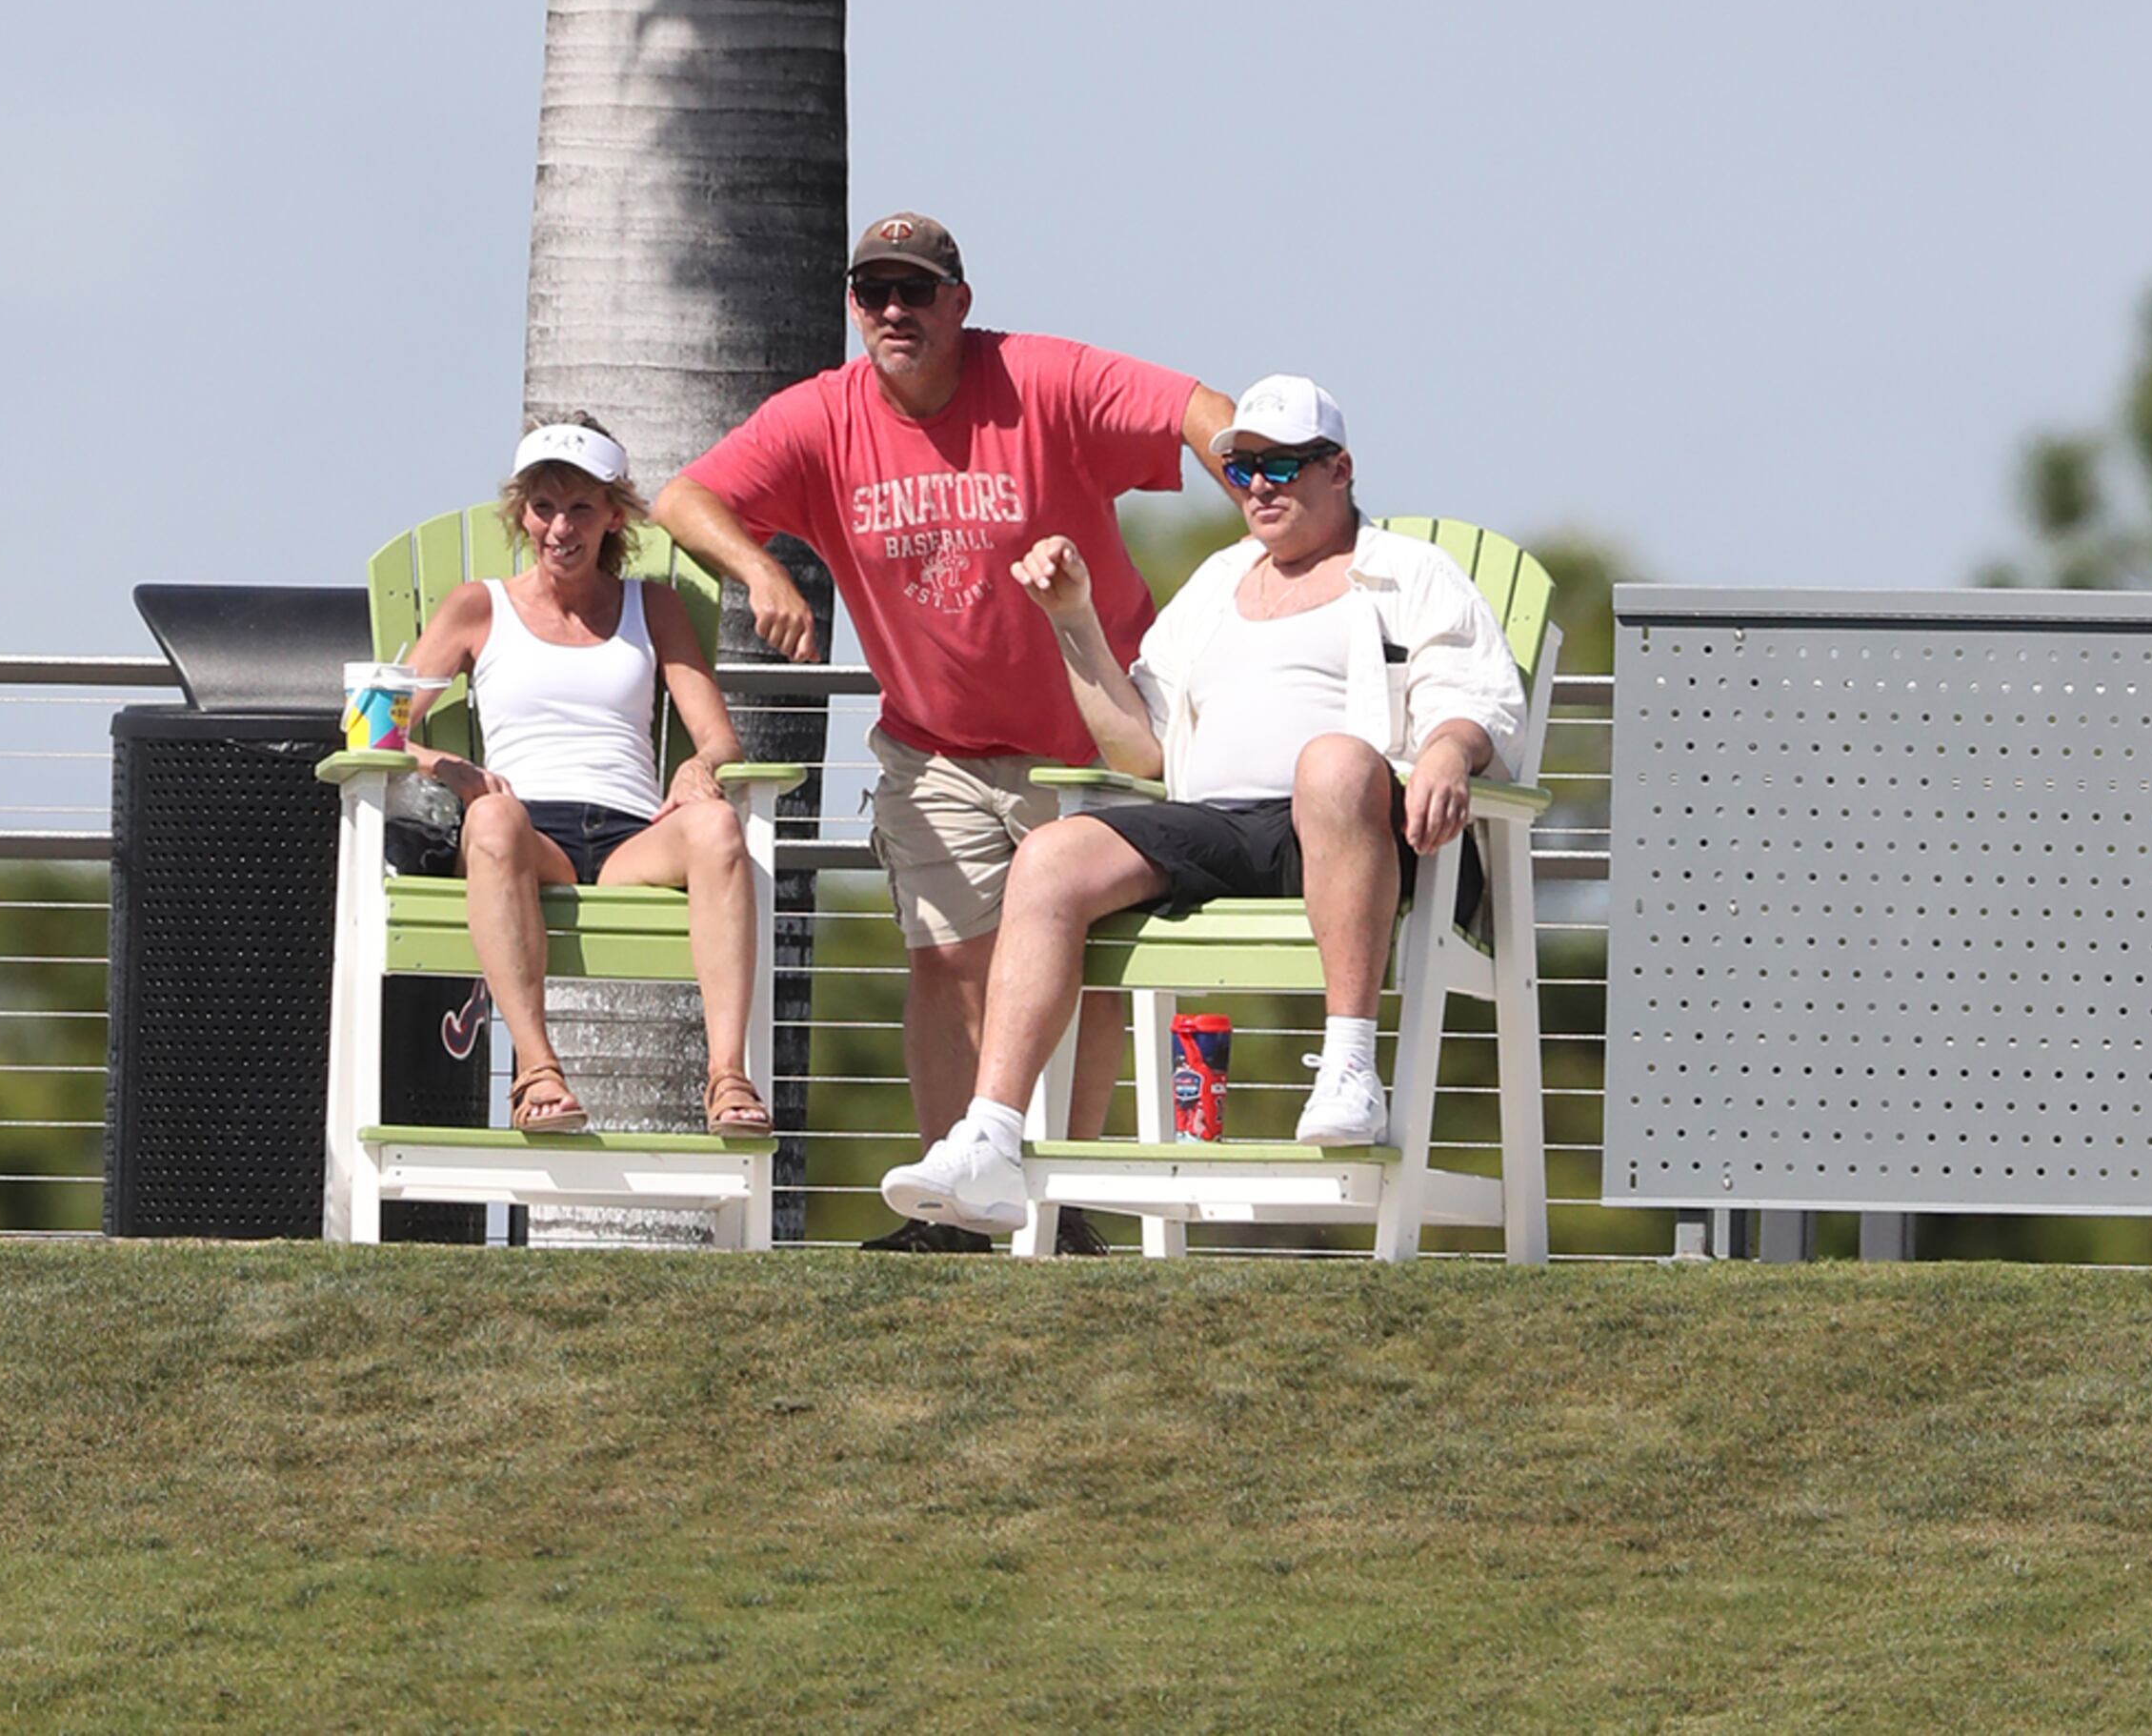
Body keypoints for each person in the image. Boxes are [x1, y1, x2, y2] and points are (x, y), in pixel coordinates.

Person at [656, 213, 1236, 1240]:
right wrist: (755, 567)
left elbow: (1200, 409)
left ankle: (1063, 1203)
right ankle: (948, 1212)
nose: (892, 311)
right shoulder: (819, 417)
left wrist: (1267, 518)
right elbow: (683, 497)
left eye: (915, 292)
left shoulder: (1041, 378)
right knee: (945, 959)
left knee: (1095, 963)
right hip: (933, 745)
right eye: (872, 292)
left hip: (1095, 744)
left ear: (959, 304)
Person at [875, 371, 1523, 1240]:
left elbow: (1481, 694)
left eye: (1283, 465)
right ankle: (991, 1134)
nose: (1258, 485)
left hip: (1366, 825)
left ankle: (1348, 1067)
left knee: (1328, 762)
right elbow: (1139, 749)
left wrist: (1448, 746)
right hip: (1216, 827)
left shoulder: (1410, 571)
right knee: (1051, 852)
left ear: (1340, 468)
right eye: (1243, 465)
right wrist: (1072, 620)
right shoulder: (1219, 584)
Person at [397, 417, 773, 1139]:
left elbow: (719, 736)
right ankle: (538, 1071)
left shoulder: (651, 606)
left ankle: (728, 1076)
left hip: (633, 838)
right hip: (529, 834)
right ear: (521, 512)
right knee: (492, 819)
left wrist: (701, 765)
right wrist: (452, 766)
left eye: (580, 508)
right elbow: (372, 729)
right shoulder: (479, 606)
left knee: (720, 826)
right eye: (543, 506)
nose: (559, 526)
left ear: (614, 516)